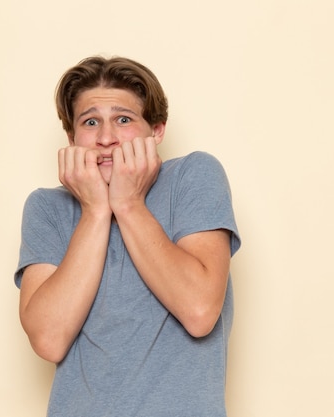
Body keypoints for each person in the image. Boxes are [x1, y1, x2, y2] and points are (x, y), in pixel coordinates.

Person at [15, 56, 241, 416]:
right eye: (91, 122)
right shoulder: (48, 207)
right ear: (72, 138)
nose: (106, 138)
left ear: (156, 131)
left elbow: (199, 311)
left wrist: (129, 203)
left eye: (123, 119)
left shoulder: (193, 177)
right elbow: (48, 339)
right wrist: (95, 210)